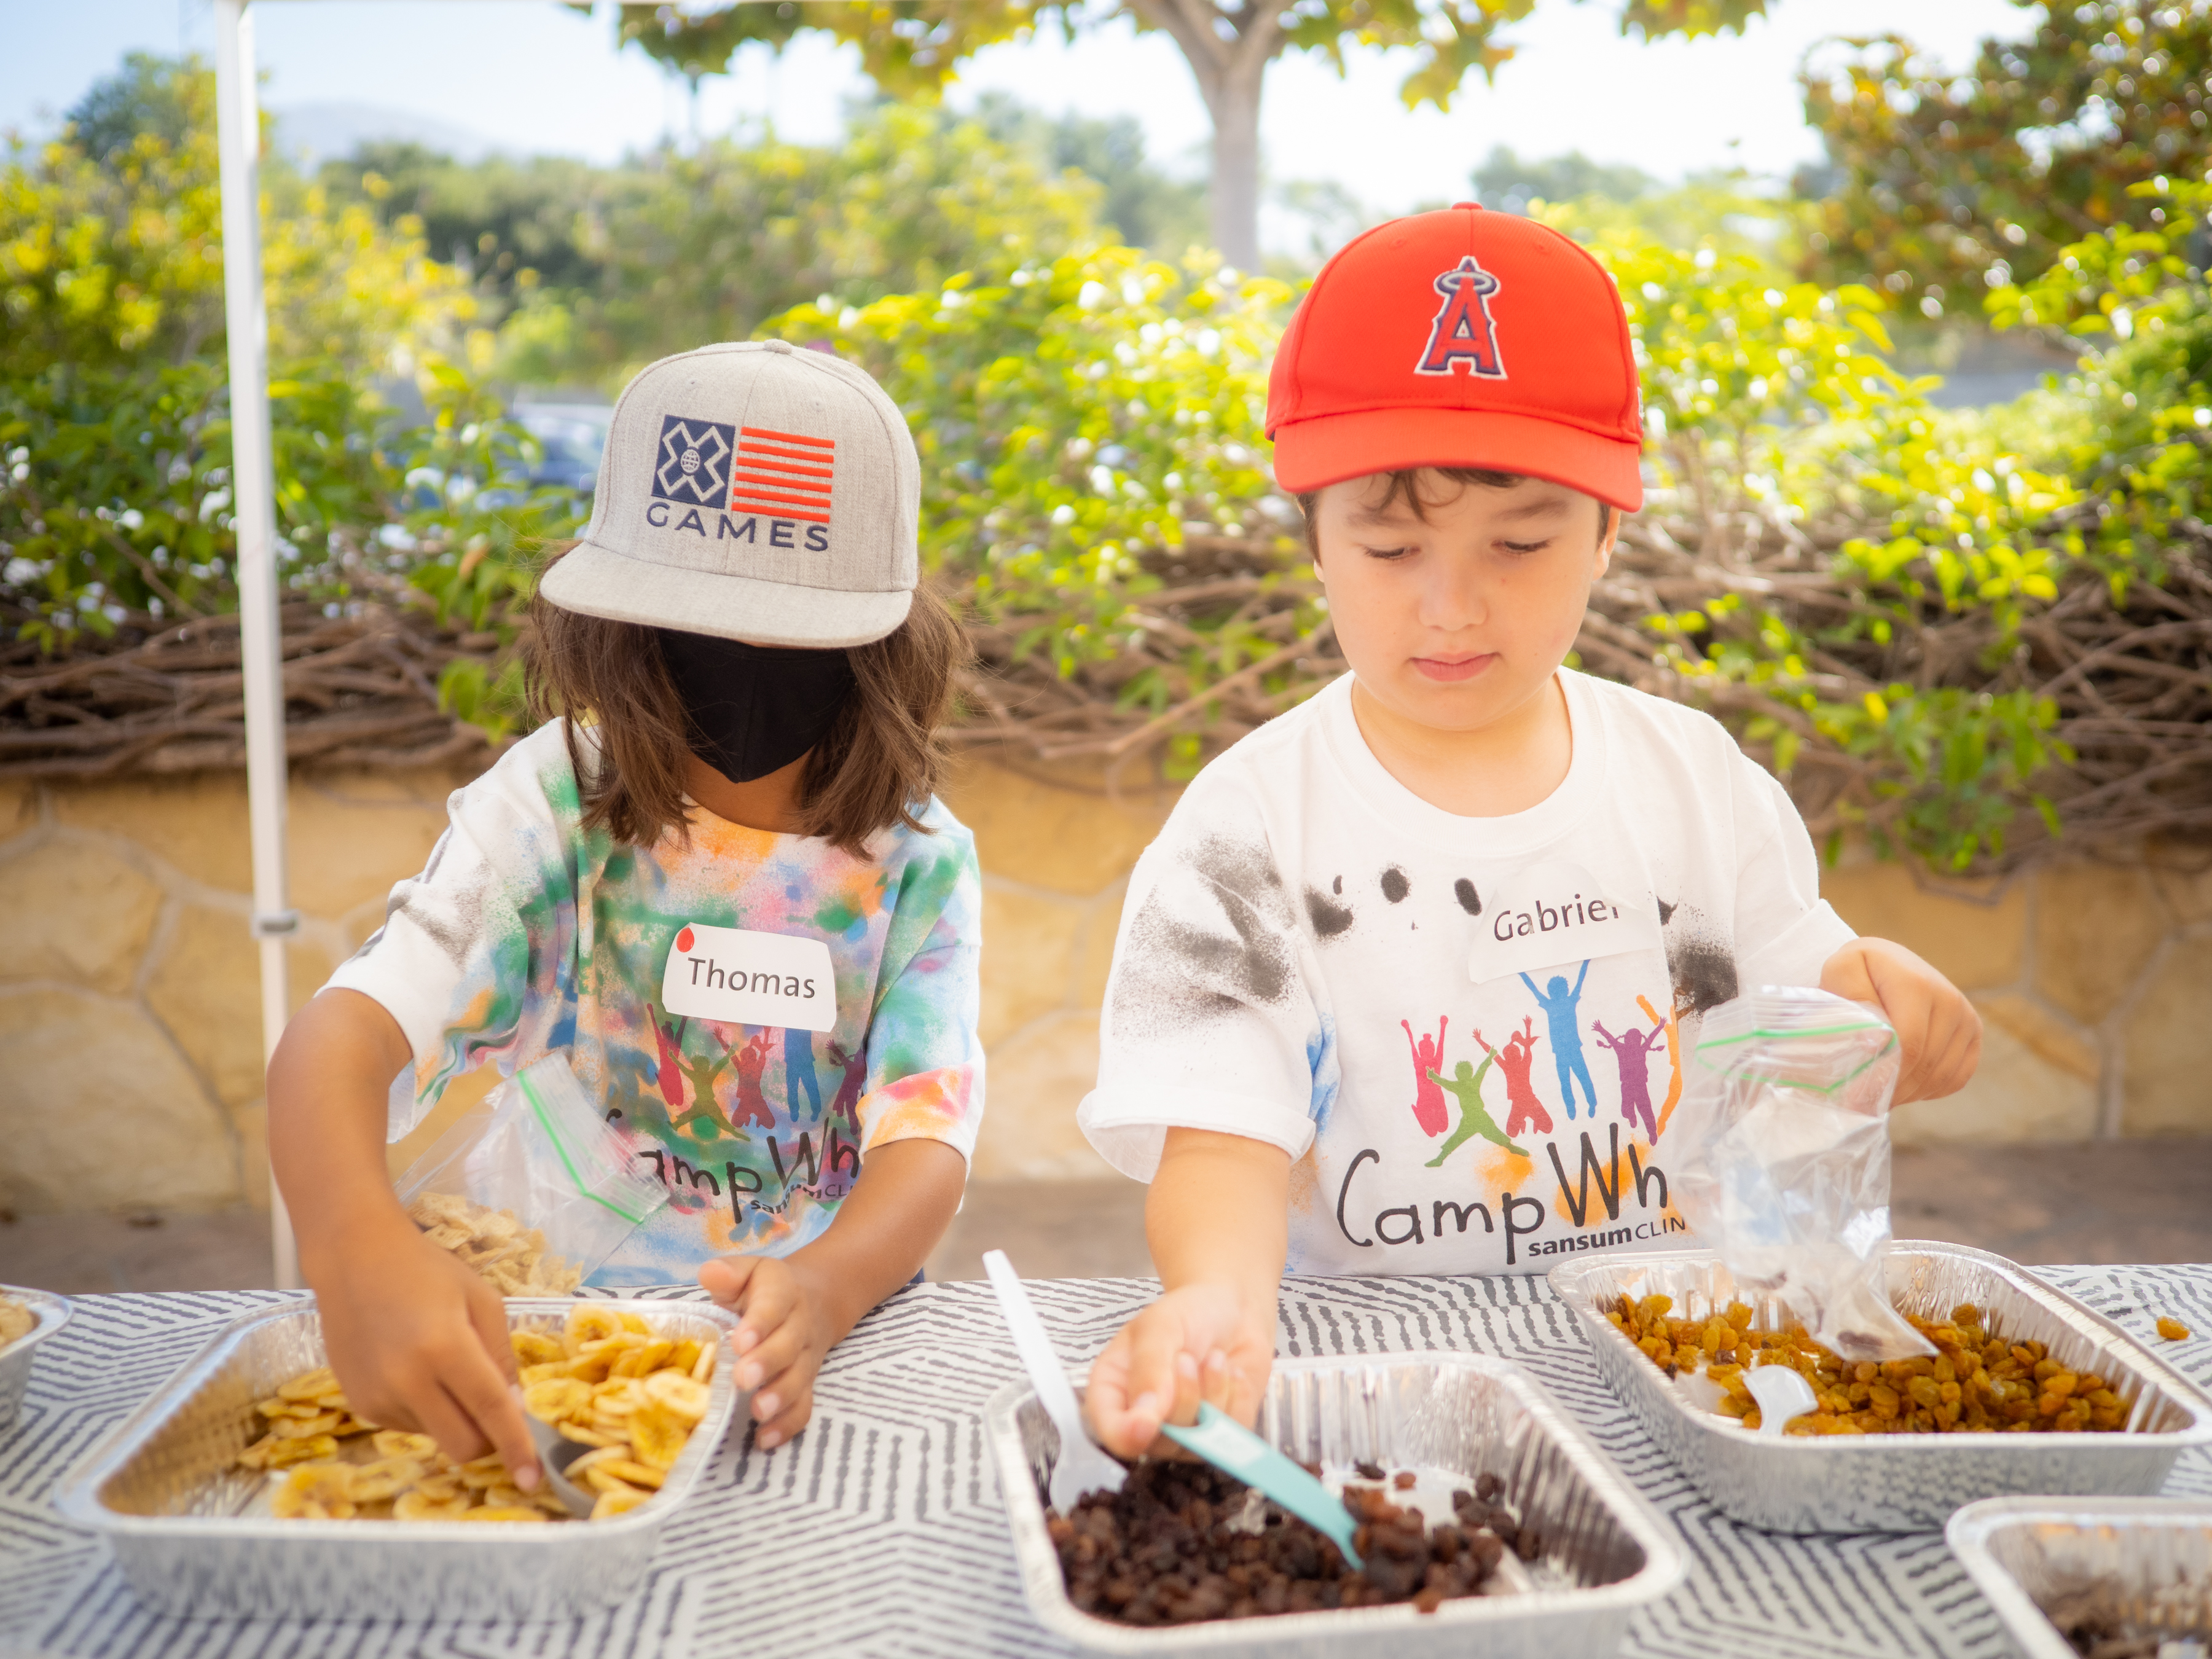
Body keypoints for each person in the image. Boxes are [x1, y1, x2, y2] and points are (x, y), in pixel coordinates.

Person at [1074, 205, 1981, 1456]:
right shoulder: (1246, 829)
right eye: (1391, 546)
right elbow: (1223, 1136)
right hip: (1383, 1391)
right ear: (1316, 543)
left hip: (1676, 1388)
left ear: (1609, 531)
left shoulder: (1693, 782)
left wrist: (1887, 1000)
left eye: (1518, 542)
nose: (1450, 606)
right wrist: (1217, 1301)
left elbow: (1808, 1007)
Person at [267, 341, 982, 1488]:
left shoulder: (917, 863)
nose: (748, 666)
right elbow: (345, 1035)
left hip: (818, 1342)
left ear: (882, 652)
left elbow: (925, 1134)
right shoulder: (555, 808)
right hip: (551, 1329)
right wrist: (354, 1242)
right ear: (617, 632)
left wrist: (833, 1285)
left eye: (792, 636)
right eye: (705, 627)